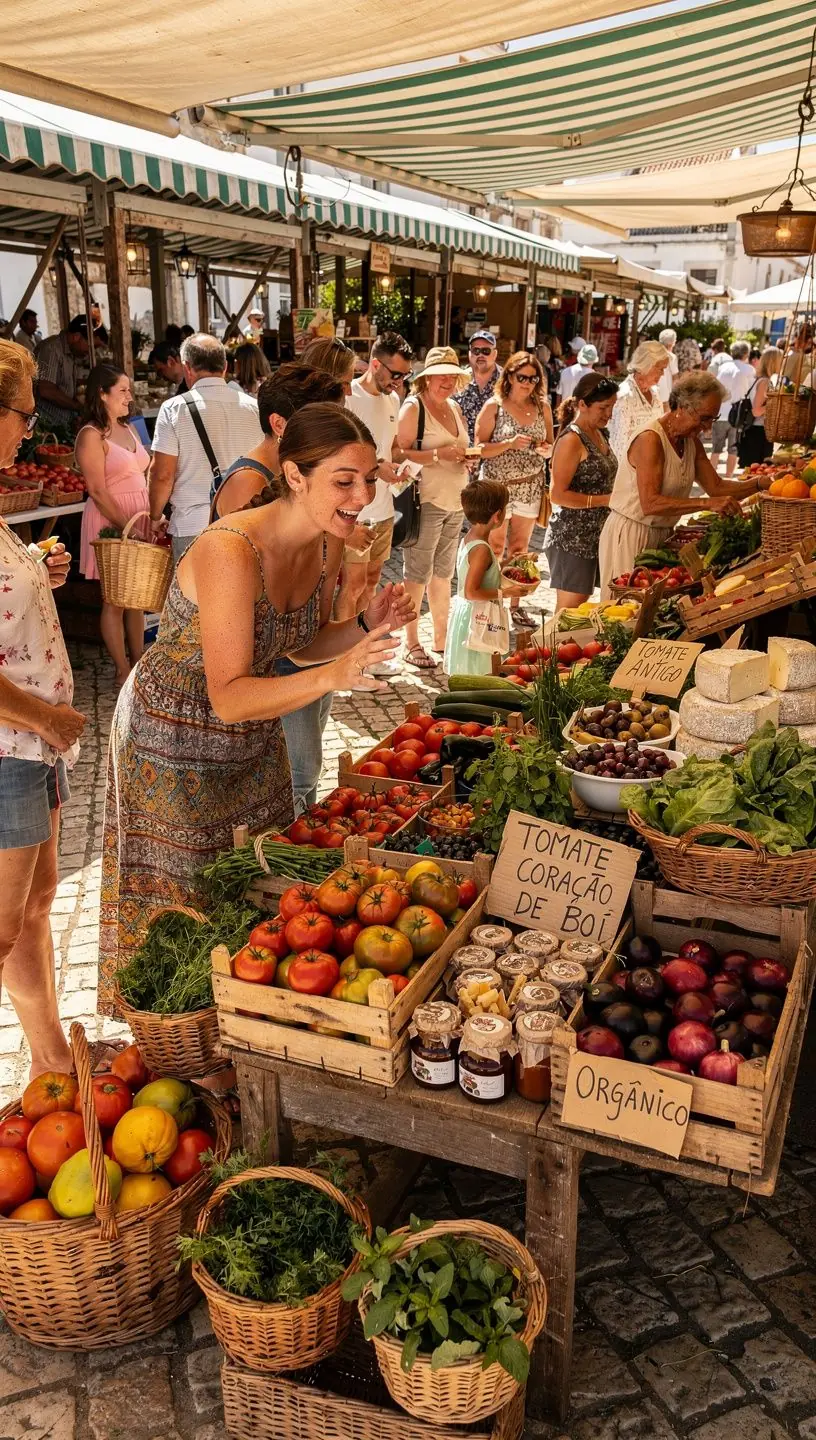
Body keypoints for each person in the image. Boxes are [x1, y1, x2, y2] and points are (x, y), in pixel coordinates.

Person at [99, 404, 414, 1006]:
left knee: (251, 881)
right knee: (180, 901)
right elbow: (229, 694)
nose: (363, 495)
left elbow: (297, 645)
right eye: (344, 481)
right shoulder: (230, 550)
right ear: (294, 476)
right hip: (173, 737)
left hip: (252, 732)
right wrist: (337, 675)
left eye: (369, 478)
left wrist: (363, 625)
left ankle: (242, 1022)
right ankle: (174, 1033)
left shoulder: (325, 546)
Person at [0, 339, 84, 1077]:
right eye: (24, 414)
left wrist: (36, 569)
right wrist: (47, 718)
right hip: (12, 746)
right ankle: (50, 1059)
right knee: (2, 926)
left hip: (31, 748)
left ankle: (48, 1057)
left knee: (35, 906)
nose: (30, 430)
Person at [598, 372, 772, 596]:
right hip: (632, 532)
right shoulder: (650, 439)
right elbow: (650, 503)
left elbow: (717, 487)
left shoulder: (691, 443)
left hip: (662, 533)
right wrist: (706, 504)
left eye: (713, 419)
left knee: (654, 607)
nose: (708, 427)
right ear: (682, 407)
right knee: (625, 608)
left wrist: (760, 483)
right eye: (704, 418)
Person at [148, 333, 262, 563]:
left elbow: (162, 474)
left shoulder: (174, 409)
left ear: (187, 368)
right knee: (245, 597)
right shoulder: (255, 408)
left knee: (195, 598)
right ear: (225, 367)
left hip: (194, 526)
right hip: (249, 524)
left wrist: (155, 515)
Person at [76, 364, 151, 687]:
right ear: (101, 394)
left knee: (136, 597)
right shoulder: (91, 435)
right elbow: (97, 490)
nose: (129, 397)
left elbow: (143, 471)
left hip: (138, 518)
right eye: (122, 391)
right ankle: (122, 669)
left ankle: (138, 663)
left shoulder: (129, 428)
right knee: (114, 600)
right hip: (112, 519)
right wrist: (126, 526)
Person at [397, 346, 470, 670]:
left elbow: (460, 447)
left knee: (443, 574)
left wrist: (466, 455)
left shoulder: (453, 406)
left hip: (455, 500)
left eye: (453, 376)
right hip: (425, 500)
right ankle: (410, 642)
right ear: (426, 378)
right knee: (417, 575)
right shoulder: (414, 407)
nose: (448, 381)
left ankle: (442, 639)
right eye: (442, 375)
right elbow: (398, 453)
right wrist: (440, 456)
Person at [336, 332, 414, 622]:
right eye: (396, 374)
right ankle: (345, 655)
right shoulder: (349, 397)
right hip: (354, 511)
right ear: (375, 364)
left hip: (383, 510)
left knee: (370, 584)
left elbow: (391, 446)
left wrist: (401, 465)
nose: (399, 382)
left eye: (406, 375)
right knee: (352, 585)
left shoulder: (393, 399)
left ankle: (361, 648)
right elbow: (340, 454)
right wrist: (377, 467)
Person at [476, 352, 553, 626]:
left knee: (520, 549)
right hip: (499, 488)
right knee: (495, 548)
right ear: (509, 376)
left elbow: (550, 444)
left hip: (530, 487)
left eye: (533, 379)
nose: (528, 383)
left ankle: (515, 604)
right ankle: (493, 601)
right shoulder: (494, 406)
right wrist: (509, 443)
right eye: (522, 377)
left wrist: (546, 450)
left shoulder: (543, 407)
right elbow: (479, 449)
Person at [211, 364, 345, 519]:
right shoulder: (250, 482)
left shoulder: (290, 470)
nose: (334, 434)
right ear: (279, 424)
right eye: (321, 424)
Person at [545, 374, 619, 609]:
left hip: (595, 536)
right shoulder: (571, 440)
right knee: (568, 611)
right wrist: (606, 500)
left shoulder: (599, 433)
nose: (609, 414)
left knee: (581, 607)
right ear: (582, 405)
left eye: (612, 406)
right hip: (572, 539)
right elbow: (557, 495)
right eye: (603, 407)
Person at [444, 478, 528, 677]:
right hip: (479, 620)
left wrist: (510, 564)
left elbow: (485, 572)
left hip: (469, 615)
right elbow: (472, 591)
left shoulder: (472, 538)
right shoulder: (481, 549)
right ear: (498, 516)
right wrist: (505, 593)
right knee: (480, 672)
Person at [608, 341, 670, 463]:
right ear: (647, 365)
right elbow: (618, 448)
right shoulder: (625, 397)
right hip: (630, 474)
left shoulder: (655, 394)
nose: (663, 374)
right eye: (660, 369)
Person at [35, 314, 90, 430]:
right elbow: (46, 389)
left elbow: (64, 382)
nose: (89, 351)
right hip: (48, 426)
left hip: (64, 423)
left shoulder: (71, 351)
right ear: (76, 337)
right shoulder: (51, 349)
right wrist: (77, 406)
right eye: (88, 345)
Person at [709, 341, 755, 478]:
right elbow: (751, 393)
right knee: (733, 449)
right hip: (738, 415)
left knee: (716, 448)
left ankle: (711, 476)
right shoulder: (749, 370)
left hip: (721, 412)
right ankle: (728, 476)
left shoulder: (723, 367)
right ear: (746, 354)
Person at [741, 346, 784, 466]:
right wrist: (775, 405)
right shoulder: (765, 382)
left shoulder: (764, 379)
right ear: (774, 362)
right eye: (781, 360)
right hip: (757, 434)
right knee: (755, 474)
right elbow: (756, 411)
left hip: (760, 432)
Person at [455, 331, 500, 442]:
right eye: (476, 351)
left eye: (486, 351)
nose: (480, 355)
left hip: (496, 454)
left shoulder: (507, 381)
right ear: (470, 354)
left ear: (494, 354)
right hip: (463, 453)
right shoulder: (458, 380)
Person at [655, 328, 680, 407]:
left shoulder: (652, 354)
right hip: (665, 394)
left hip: (653, 390)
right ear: (671, 343)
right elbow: (675, 377)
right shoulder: (671, 356)